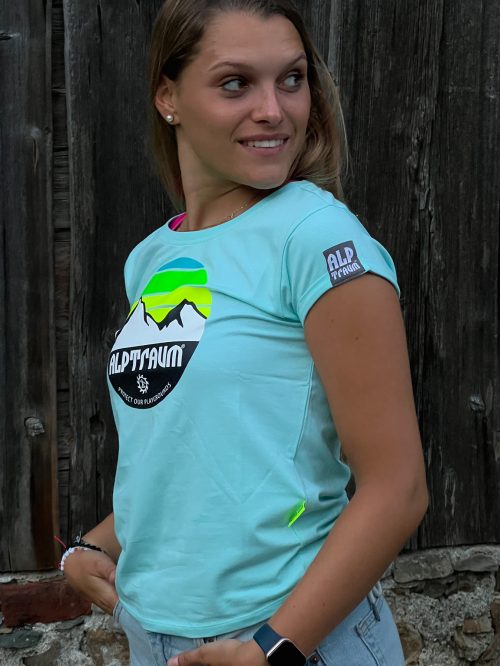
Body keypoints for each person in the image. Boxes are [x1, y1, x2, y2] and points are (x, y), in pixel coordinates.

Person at [63, 1, 428, 664]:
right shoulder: (152, 258)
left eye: (291, 79)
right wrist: (98, 544)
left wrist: (274, 647)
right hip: (155, 636)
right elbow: (200, 450)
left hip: (290, 638)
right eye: (236, 84)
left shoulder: (318, 240)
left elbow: (397, 488)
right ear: (168, 98)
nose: (273, 110)